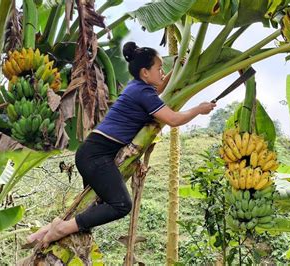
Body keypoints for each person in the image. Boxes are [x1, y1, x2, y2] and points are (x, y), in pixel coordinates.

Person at [26, 41, 216, 248]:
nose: (162, 72)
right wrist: (199, 108)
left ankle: (43, 232)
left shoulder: (138, 86)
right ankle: (60, 229)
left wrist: (176, 68)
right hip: (97, 155)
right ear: (145, 72)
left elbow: (159, 87)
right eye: (159, 69)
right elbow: (173, 119)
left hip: (93, 152)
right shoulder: (143, 93)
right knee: (121, 205)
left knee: (92, 205)